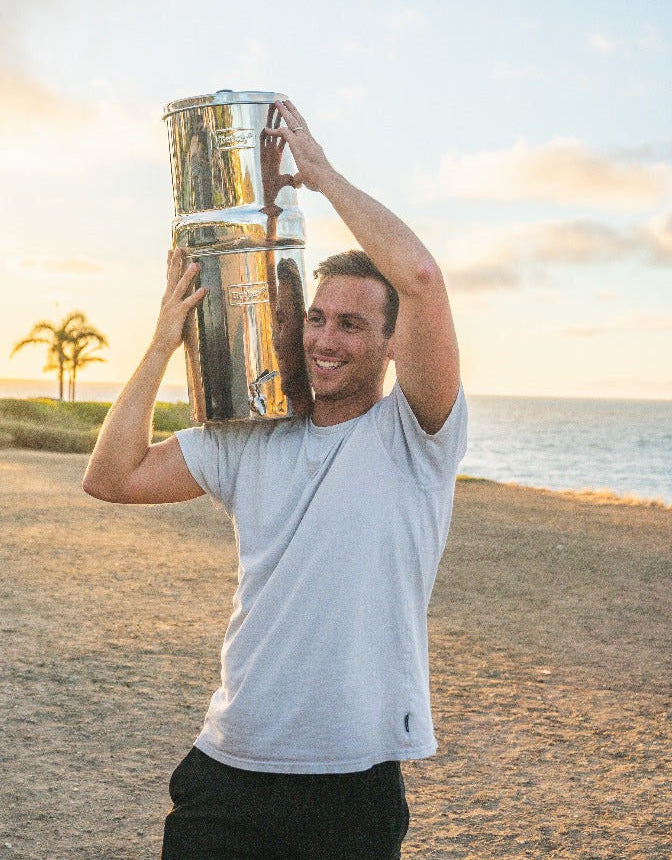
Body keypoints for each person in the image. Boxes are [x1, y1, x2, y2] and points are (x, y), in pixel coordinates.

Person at [82, 98, 467, 860]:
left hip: (349, 785)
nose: (325, 338)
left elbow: (420, 275)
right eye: (316, 317)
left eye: (352, 324)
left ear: (393, 344)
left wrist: (320, 178)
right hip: (228, 769)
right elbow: (111, 476)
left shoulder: (416, 437)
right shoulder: (250, 438)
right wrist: (162, 342)